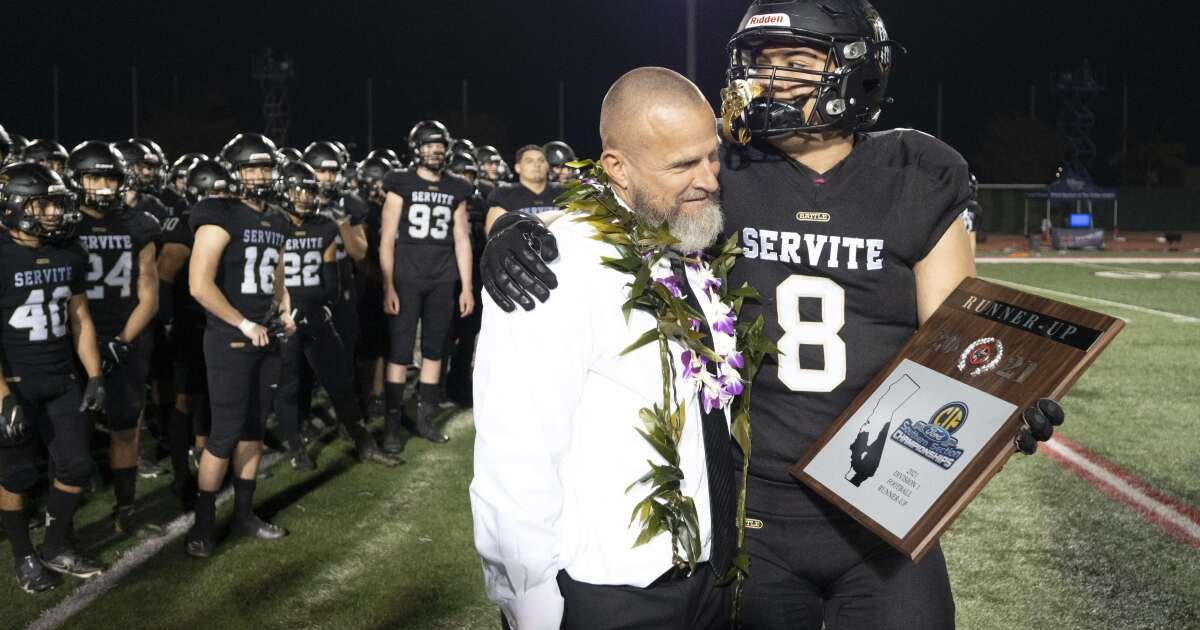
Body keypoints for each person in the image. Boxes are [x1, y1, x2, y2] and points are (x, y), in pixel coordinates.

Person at [480, 2, 1066, 628]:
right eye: (762, 62)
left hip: (884, 511)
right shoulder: (729, 165)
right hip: (751, 516)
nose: (774, 78)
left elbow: (957, 338)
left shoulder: (917, 173)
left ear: (858, 70)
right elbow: (627, 184)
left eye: (796, 61)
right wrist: (522, 226)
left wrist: (1002, 401)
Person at [472, 67, 734, 630]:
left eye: (712, 156)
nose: (709, 179)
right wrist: (531, 603)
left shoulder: (688, 239)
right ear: (616, 166)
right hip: (609, 593)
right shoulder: (553, 262)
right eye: (683, 164)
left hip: (708, 576)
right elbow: (515, 448)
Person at [184, 133, 295, 558]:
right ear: (234, 170)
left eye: (266, 166)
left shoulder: (278, 218)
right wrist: (244, 322)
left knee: (253, 428)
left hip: (266, 334)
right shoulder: (217, 212)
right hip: (231, 336)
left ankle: (245, 515)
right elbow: (198, 284)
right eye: (252, 166)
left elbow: (275, 276)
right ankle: (202, 526)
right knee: (225, 431)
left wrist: (285, 308)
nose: (260, 175)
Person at [0, 162, 107, 591]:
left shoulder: (68, 250)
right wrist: (3, 396)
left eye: (55, 204)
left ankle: (55, 545)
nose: (52, 213)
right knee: (17, 477)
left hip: (62, 377)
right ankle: (23, 555)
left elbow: (79, 317)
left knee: (77, 465)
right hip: (16, 383)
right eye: (42, 203)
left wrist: (95, 374)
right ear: (15, 205)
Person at [67, 140, 165, 538]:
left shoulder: (140, 224)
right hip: (74, 338)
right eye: (94, 177)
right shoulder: (65, 224)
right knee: (70, 433)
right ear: (77, 181)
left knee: (126, 426)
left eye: (110, 177)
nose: (104, 186)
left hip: (127, 336)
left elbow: (150, 297)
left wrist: (121, 340)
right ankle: (64, 523)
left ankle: (126, 510)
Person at [273, 161, 399, 470]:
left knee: (340, 381)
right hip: (283, 314)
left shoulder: (324, 225)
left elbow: (330, 280)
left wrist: (322, 307)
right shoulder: (273, 224)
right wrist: (283, 310)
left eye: (310, 191)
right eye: (299, 190)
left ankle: (364, 443)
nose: (304, 197)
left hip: (315, 312)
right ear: (285, 190)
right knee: (289, 384)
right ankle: (296, 447)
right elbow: (271, 276)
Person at [378, 120, 474, 449]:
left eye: (439, 145)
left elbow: (462, 237)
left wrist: (467, 286)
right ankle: (391, 426)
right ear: (416, 148)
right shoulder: (399, 182)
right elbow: (387, 236)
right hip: (406, 277)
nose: (434, 150)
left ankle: (424, 420)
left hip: (443, 278)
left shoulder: (457, 186)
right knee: (400, 352)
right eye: (428, 144)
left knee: (435, 350)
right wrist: (388, 284)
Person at [155, 158, 231, 509]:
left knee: (211, 395)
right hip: (189, 322)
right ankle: (181, 475)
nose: (222, 196)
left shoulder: (230, 218)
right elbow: (164, 276)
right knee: (187, 398)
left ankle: (204, 458)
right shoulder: (186, 224)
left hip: (217, 320)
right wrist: (169, 321)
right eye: (215, 191)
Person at [483, 146, 563, 231]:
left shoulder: (563, 191)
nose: (537, 165)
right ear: (518, 167)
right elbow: (494, 235)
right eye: (529, 161)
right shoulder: (503, 194)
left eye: (541, 161)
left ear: (547, 166)